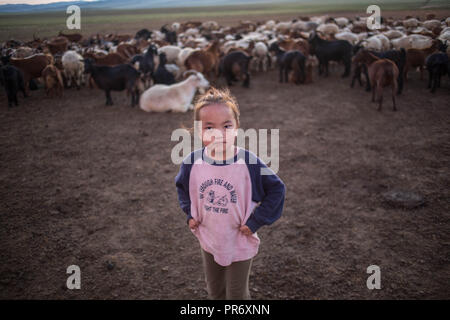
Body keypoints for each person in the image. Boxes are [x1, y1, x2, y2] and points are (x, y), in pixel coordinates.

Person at [175, 87, 286, 300]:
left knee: (236, 296)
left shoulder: (249, 162)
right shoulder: (192, 162)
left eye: (226, 126)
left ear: (237, 128)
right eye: (209, 127)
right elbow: (182, 187)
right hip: (209, 238)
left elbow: (277, 189)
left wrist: (256, 221)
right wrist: (189, 213)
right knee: (215, 291)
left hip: (239, 240)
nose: (219, 134)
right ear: (198, 131)